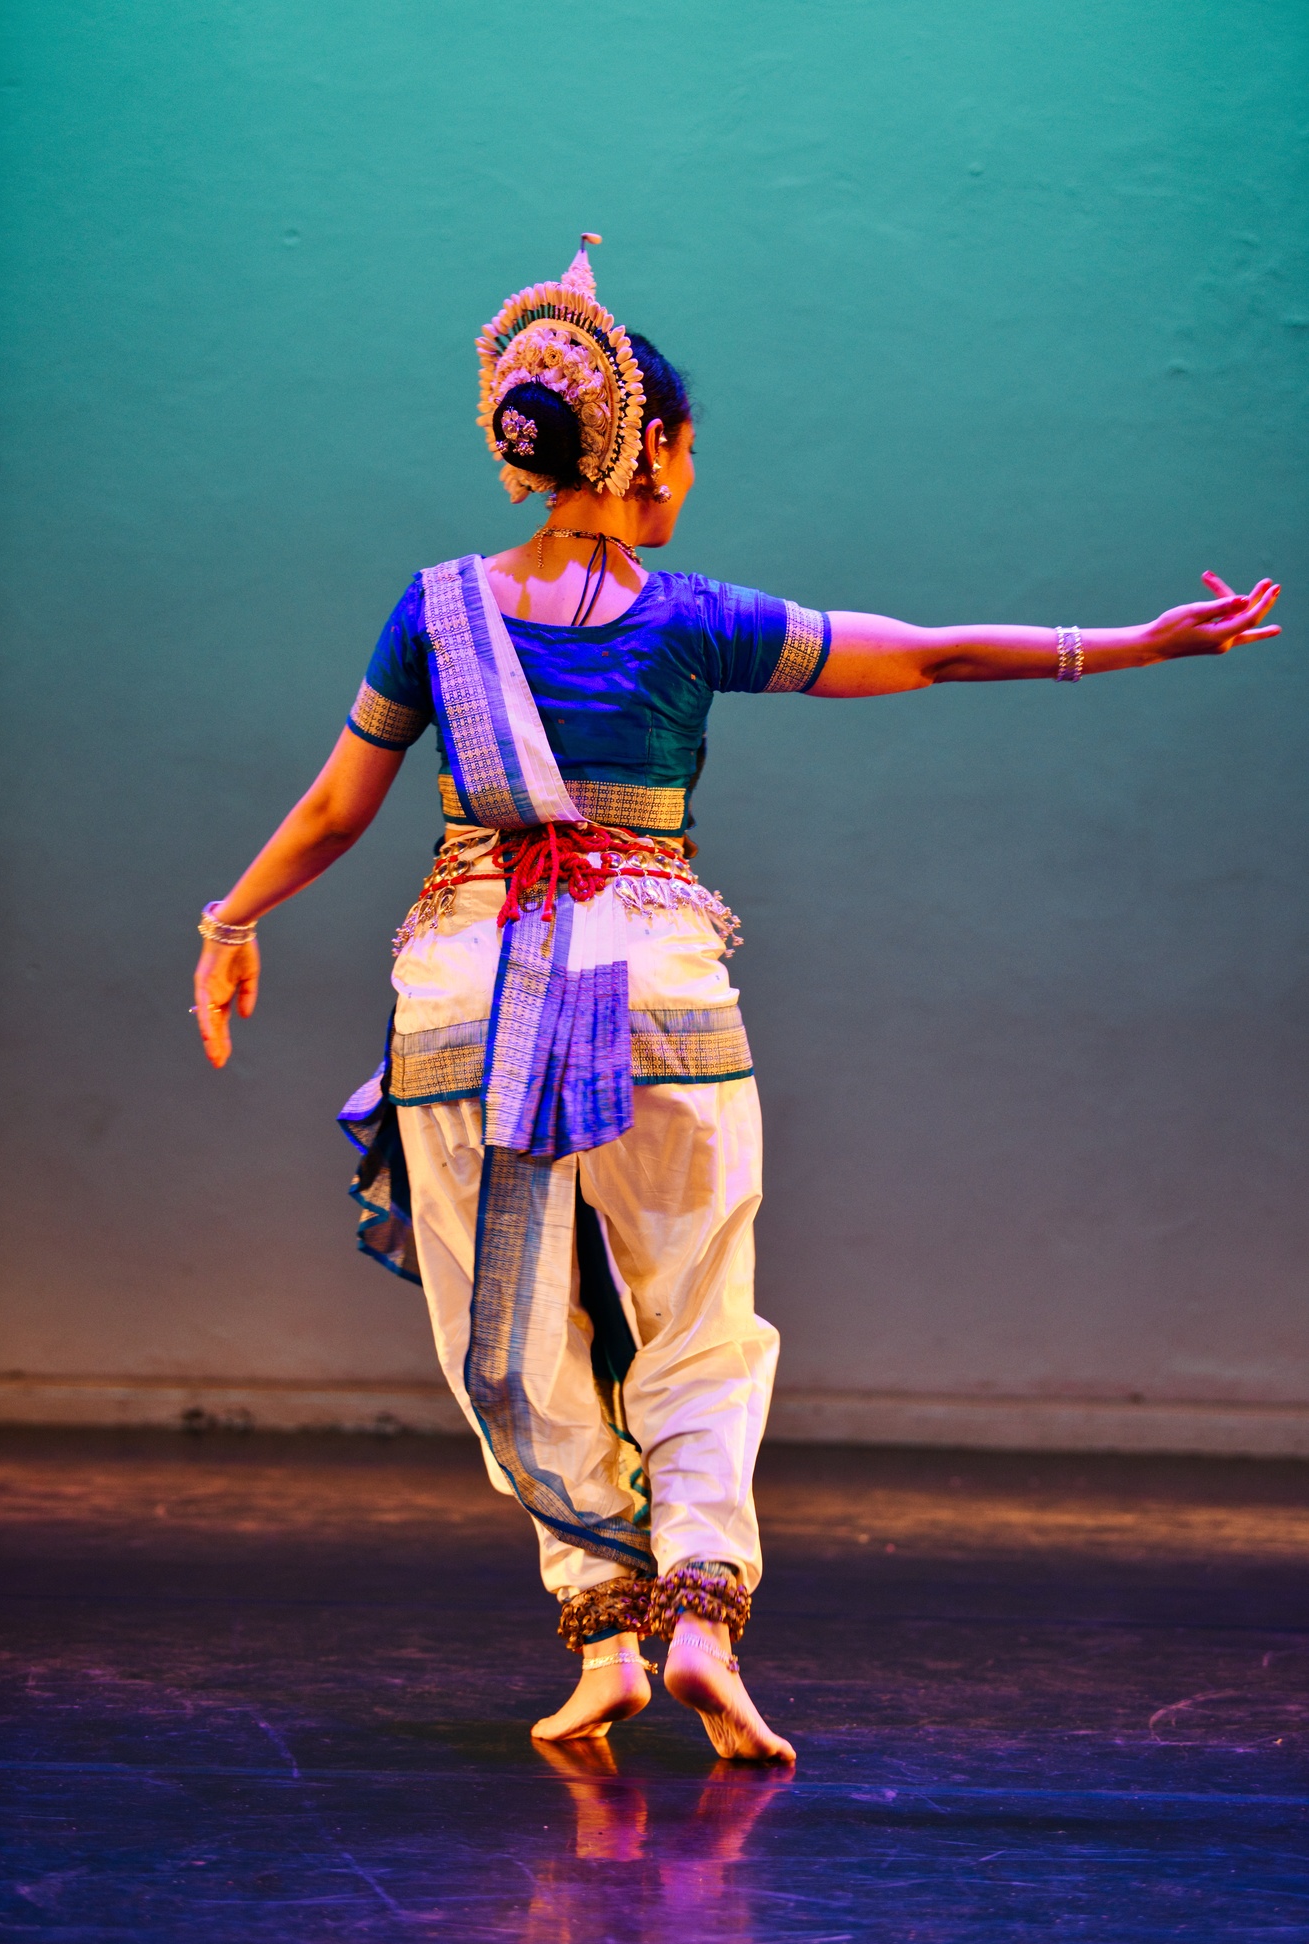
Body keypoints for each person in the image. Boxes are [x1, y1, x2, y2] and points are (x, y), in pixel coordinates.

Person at [192, 236, 1280, 1765]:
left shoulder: (434, 613)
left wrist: (229, 920)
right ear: (654, 449)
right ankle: (698, 1615)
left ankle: (603, 1631)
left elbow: (332, 809)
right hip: (654, 982)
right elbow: (925, 657)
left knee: (509, 1328)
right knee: (696, 1305)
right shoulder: (691, 617)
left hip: (467, 990)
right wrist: (1128, 645)